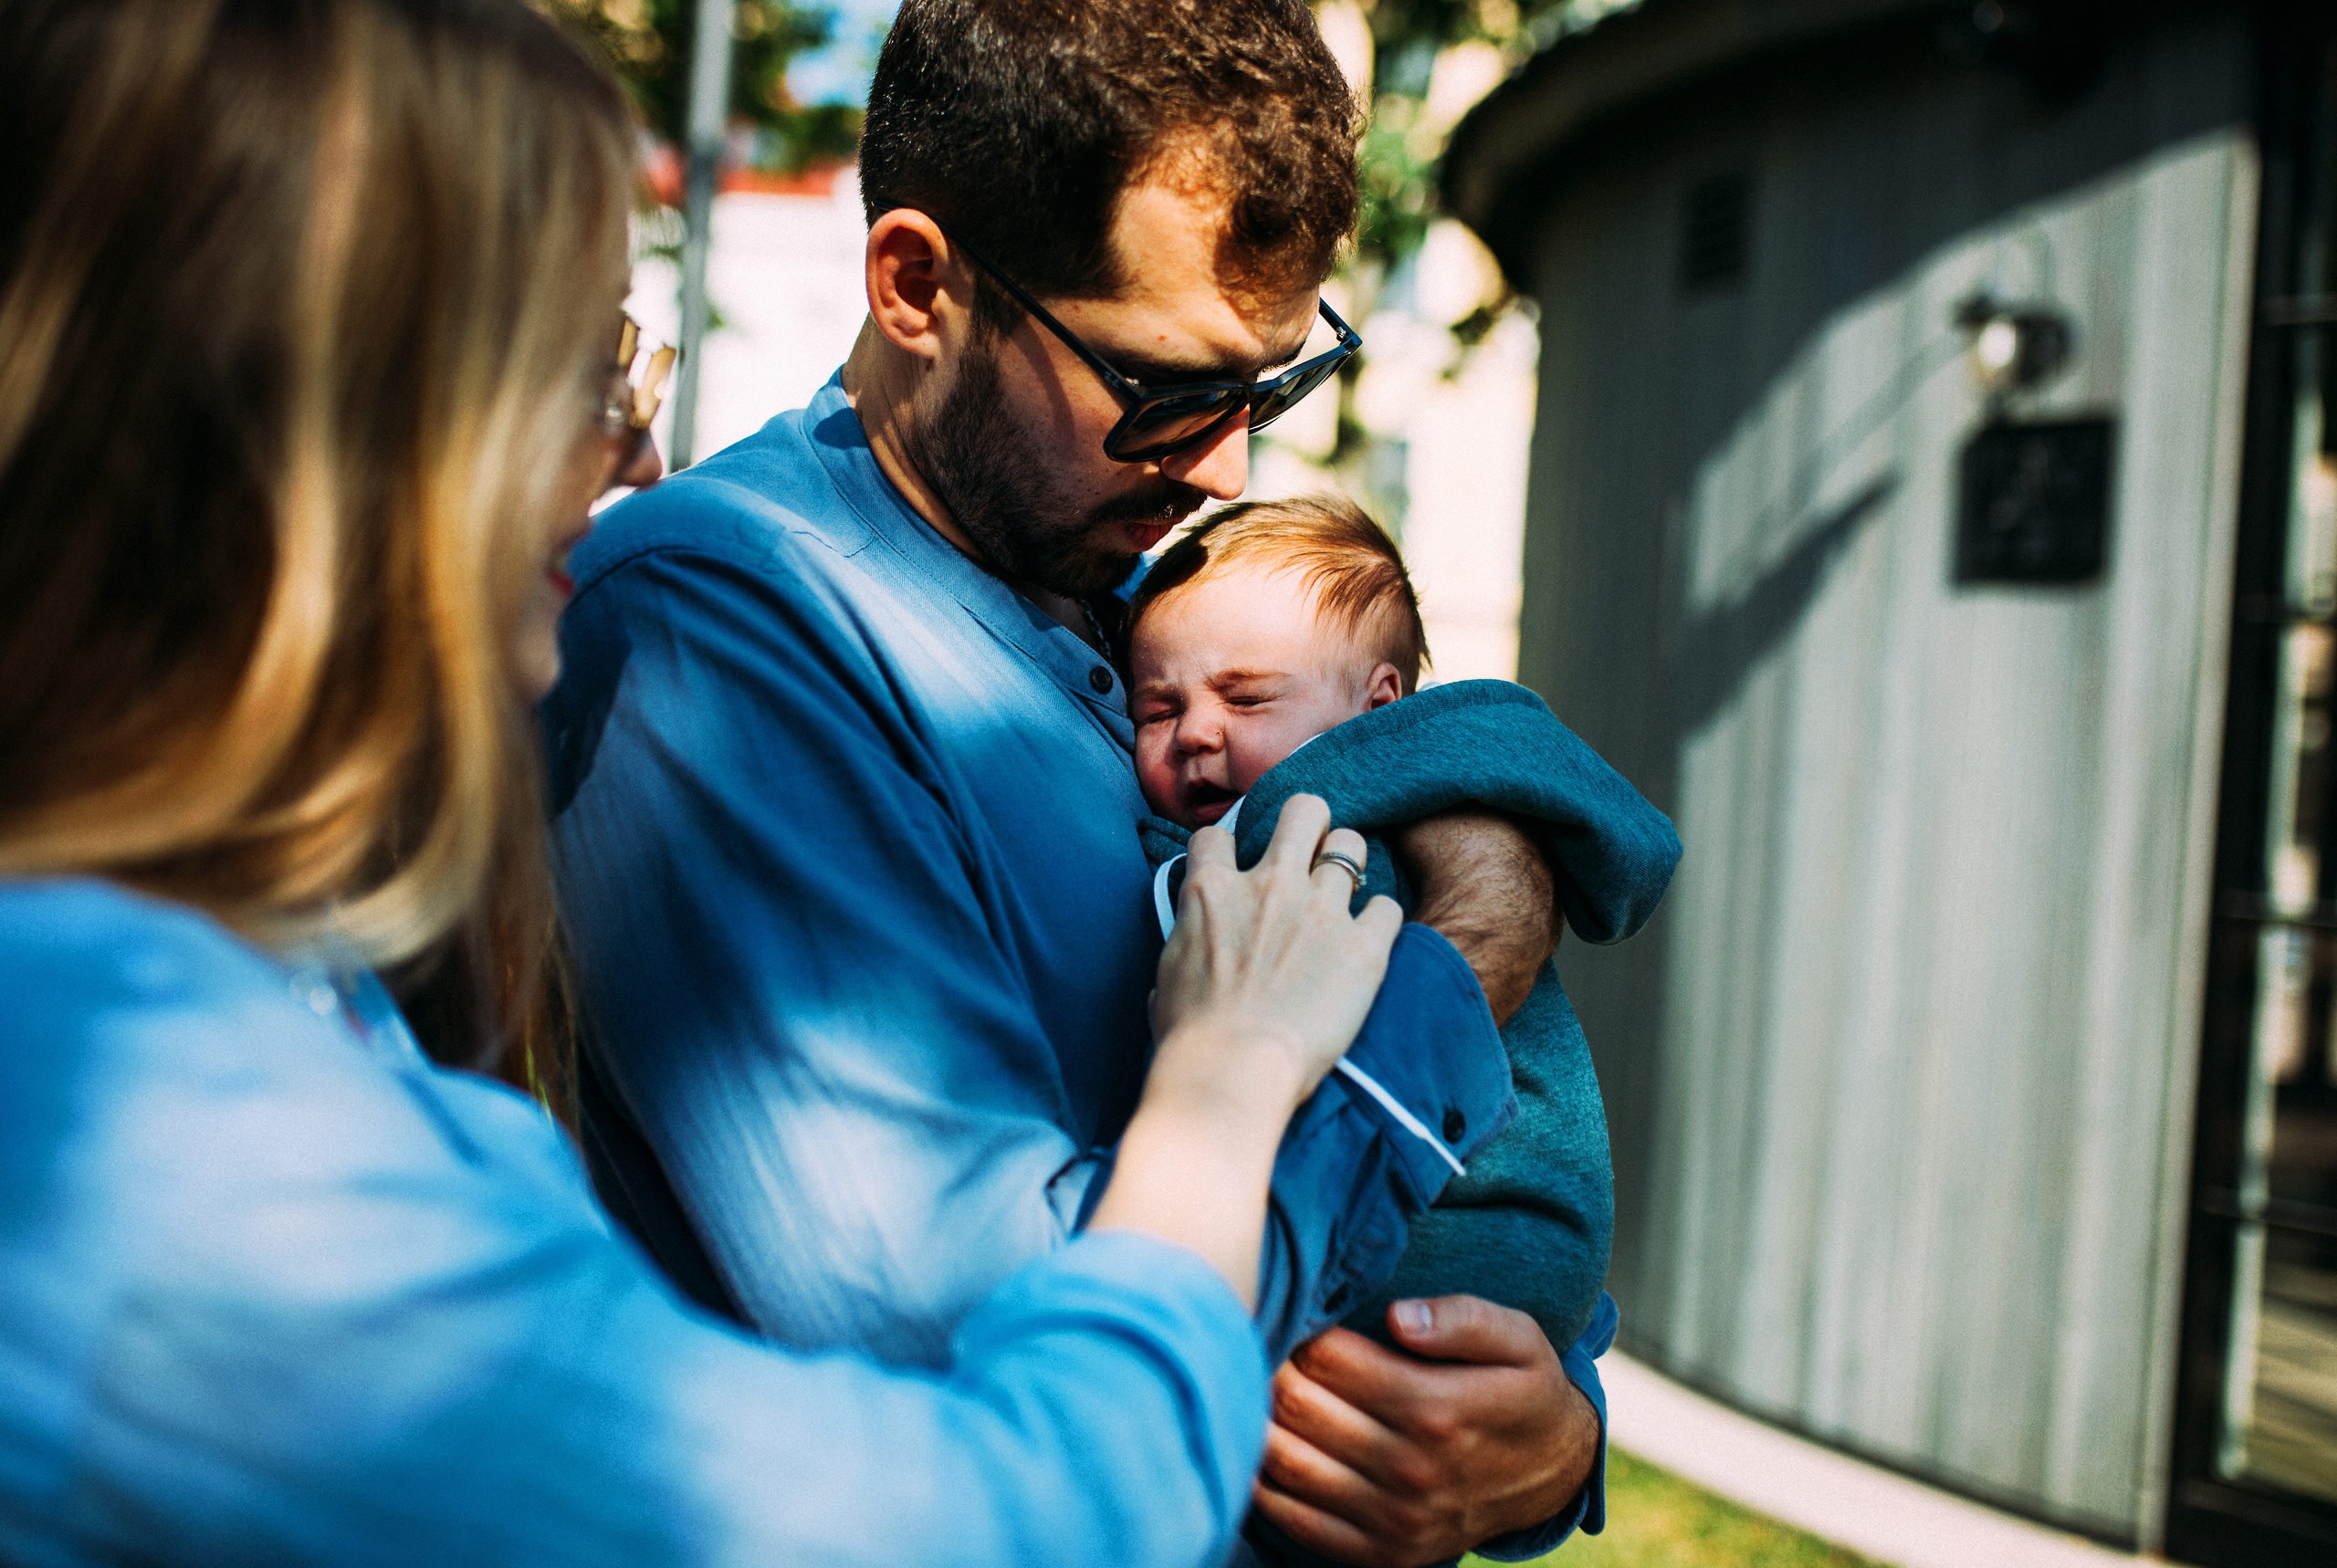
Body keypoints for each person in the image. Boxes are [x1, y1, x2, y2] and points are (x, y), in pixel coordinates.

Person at [0, 3, 1513, 1564]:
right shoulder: (131, 1114)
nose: (632, 455)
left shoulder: (242, 1001)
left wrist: (1523, 1426)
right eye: (564, 371)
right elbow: (993, 1498)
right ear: (299, 438)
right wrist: (1278, 1050)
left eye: (625, 361)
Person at [543, 3, 1614, 1563]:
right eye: (1166, 388)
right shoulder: (716, 632)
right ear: (920, 285)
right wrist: (1460, 964)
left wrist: (1547, 1422)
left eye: (1271, 386)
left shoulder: (1143, 580)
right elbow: (983, 1351)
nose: (1228, 467)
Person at [1127, 494, 1681, 1370]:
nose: (1194, 732)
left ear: (1378, 704)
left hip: (1461, 1213)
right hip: (1509, 1251)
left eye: (1247, 696)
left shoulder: (1338, 827)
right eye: (1156, 711)